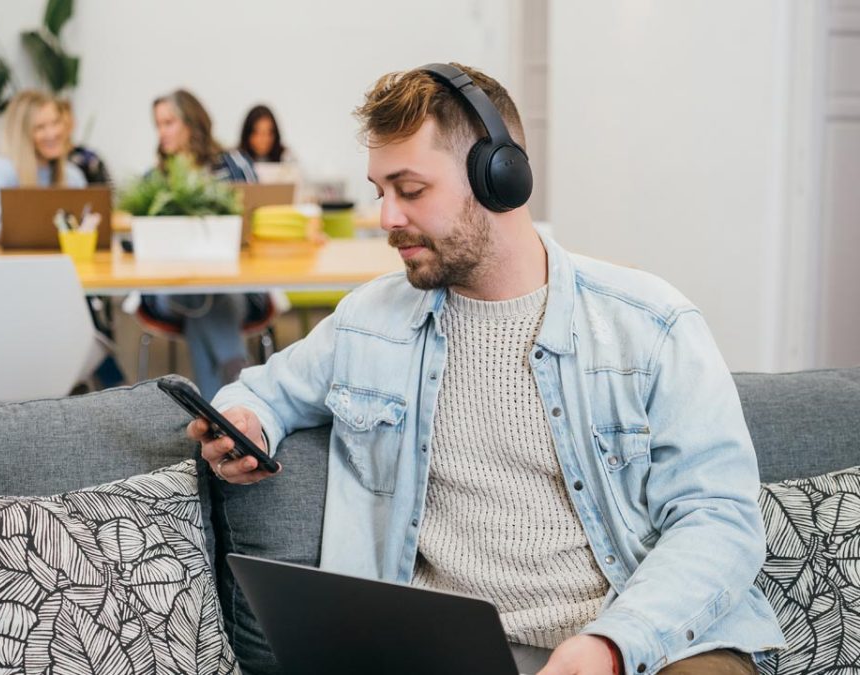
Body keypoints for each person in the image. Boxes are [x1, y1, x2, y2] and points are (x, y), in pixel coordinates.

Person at [189, 63, 785, 675]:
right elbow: (263, 392)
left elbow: (720, 519)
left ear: (500, 177)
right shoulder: (369, 321)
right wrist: (248, 420)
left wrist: (611, 644)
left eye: (411, 190)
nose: (387, 218)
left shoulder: (651, 326)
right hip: (445, 653)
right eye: (380, 192)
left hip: (641, 646)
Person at [145, 89, 267, 399]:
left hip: (236, 287)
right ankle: (239, 380)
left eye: (169, 122)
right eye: (158, 124)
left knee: (202, 301)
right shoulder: (154, 179)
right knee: (199, 291)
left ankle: (214, 416)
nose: (162, 132)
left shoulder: (234, 165)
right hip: (169, 290)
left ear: (191, 122)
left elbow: (262, 217)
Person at [0, 90, 86, 240]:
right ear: (23, 134)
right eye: (40, 127)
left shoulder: (73, 177)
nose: (52, 133)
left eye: (56, 122)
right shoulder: (3, 171)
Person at [58, 98, 112, 186]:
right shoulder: (42, 163)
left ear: (73, 124)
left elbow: (106, 194)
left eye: (66, 124)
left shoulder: (90, 159)